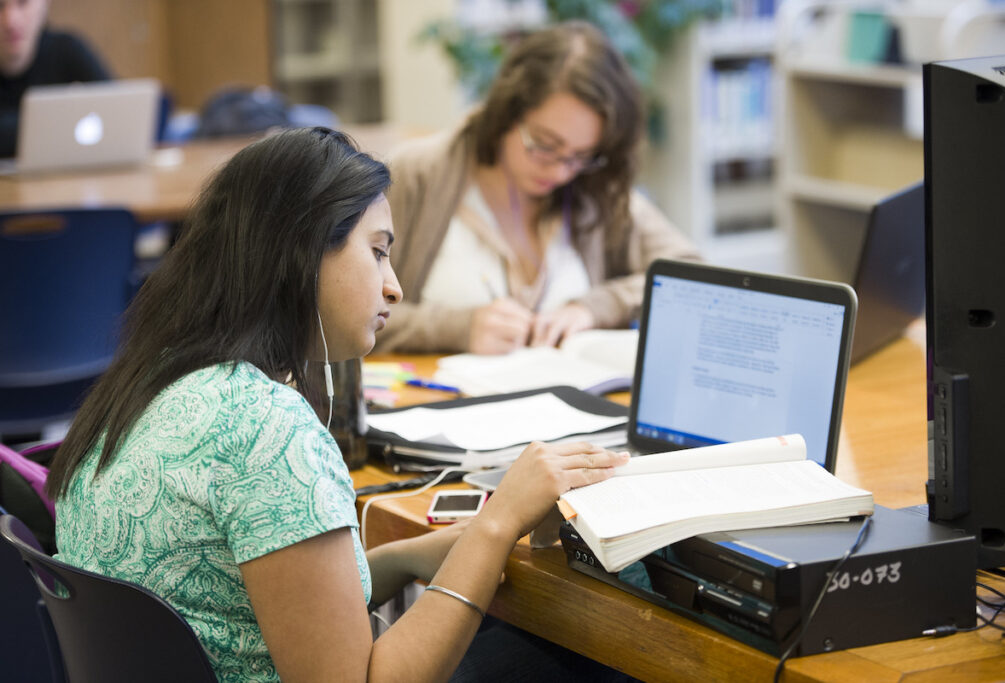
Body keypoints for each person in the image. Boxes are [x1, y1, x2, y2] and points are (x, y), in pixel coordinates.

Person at [44, 126, 630, 682]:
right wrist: (497, 522)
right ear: (302, 252)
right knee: (589, 658)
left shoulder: (152, 382)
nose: (394, 286)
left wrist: (411, 557)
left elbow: (260, 598)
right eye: (377, 252)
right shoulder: (265, 432)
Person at [377, 20, 700, 355]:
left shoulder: (595, 186)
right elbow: (341, 314)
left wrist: (594, 307)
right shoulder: (416, 175)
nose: (561, 171)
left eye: (581, 155)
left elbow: (691, 276)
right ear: (506, 113)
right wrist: (456, 329)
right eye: (544, 145)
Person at [0, 0, 111, 157]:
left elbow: (118, 113)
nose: (11, 21)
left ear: (44, 4)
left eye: (23, 3)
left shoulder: (68, 50)